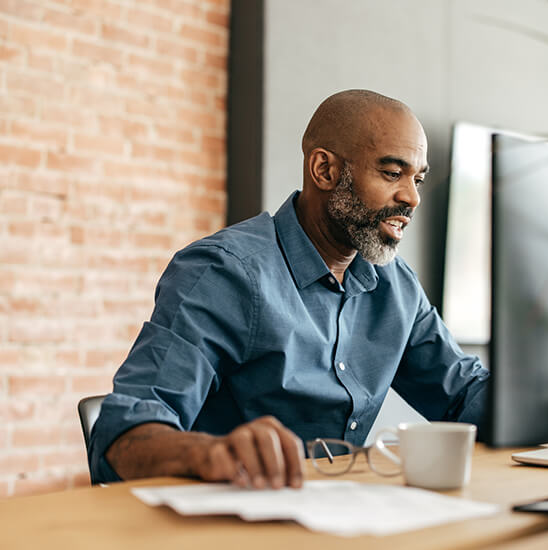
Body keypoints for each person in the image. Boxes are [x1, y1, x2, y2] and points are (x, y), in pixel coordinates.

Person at [89, 89, 485, 488]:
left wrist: (542, 390)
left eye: (417, 178)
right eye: (391, 173)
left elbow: (463, 395)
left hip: (343, 514)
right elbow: (122, 434)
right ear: (325, 170)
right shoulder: (224, 272)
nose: (412, 197)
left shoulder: (395, 285)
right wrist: (209, 453)